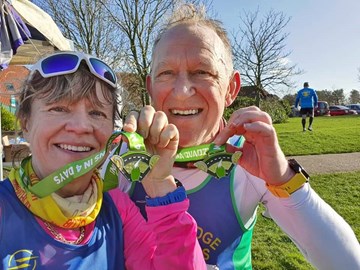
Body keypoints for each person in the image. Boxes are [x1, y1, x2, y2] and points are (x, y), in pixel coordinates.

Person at [103, 4, 360, 269]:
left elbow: (348, 263)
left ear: (231, 88)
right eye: (166, 73)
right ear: (151, 87)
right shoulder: (126, 155)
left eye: (202, 72)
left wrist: (282, 177)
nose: (181, 91)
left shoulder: (246, 157)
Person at [0, 51, 206, 270]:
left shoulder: (118, 208)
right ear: (25, 123)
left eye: (97, 113)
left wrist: (159, 183)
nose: (81, 126)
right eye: (58, 108)